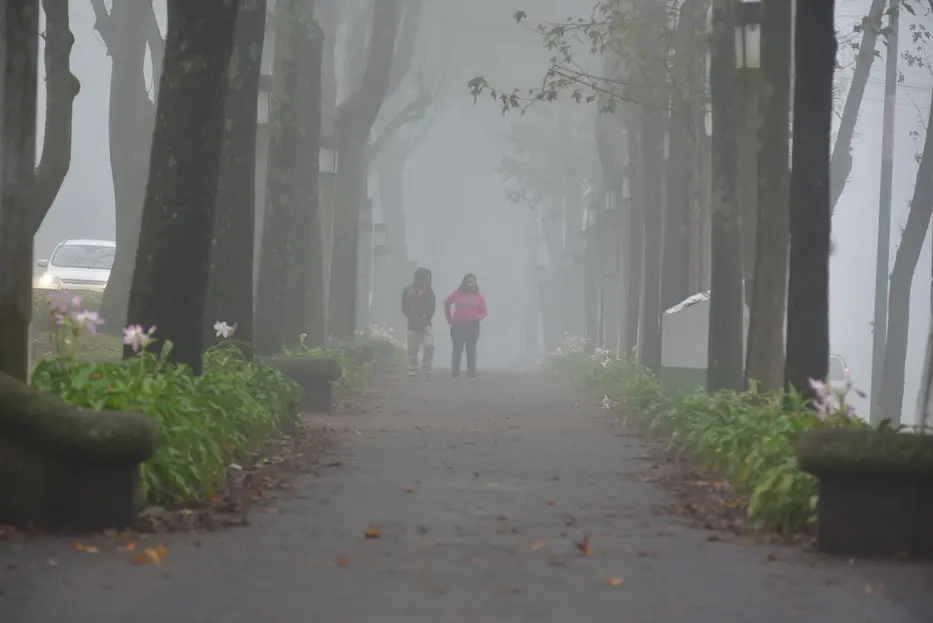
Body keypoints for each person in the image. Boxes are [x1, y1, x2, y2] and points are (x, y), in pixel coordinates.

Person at [443, 273, 487, 378]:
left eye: (472, 282)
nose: (470, 284)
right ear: (464, 283)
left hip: (473, 326)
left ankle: (471, 372)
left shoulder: (479, 297)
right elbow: (446, 302)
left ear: (475, 284)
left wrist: (477, 317)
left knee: (471, 349)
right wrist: (449, 318)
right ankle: (455, 372)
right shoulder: (457, 294)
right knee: (457, 350)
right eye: (468, 282)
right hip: (458, 325)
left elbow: (484, 312)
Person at [401, 267, 436, 379]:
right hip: (412, 323)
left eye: (428, 278)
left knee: (429, 345)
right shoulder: (407, 290)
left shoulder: (430, 292)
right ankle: (412, 369)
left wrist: (424, 318)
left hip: (426, 323)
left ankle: (427, 368)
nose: (427, 280)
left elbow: (432, 308)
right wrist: (412, 317)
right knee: (412, 349)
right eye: (425, 277)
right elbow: (404, 307)